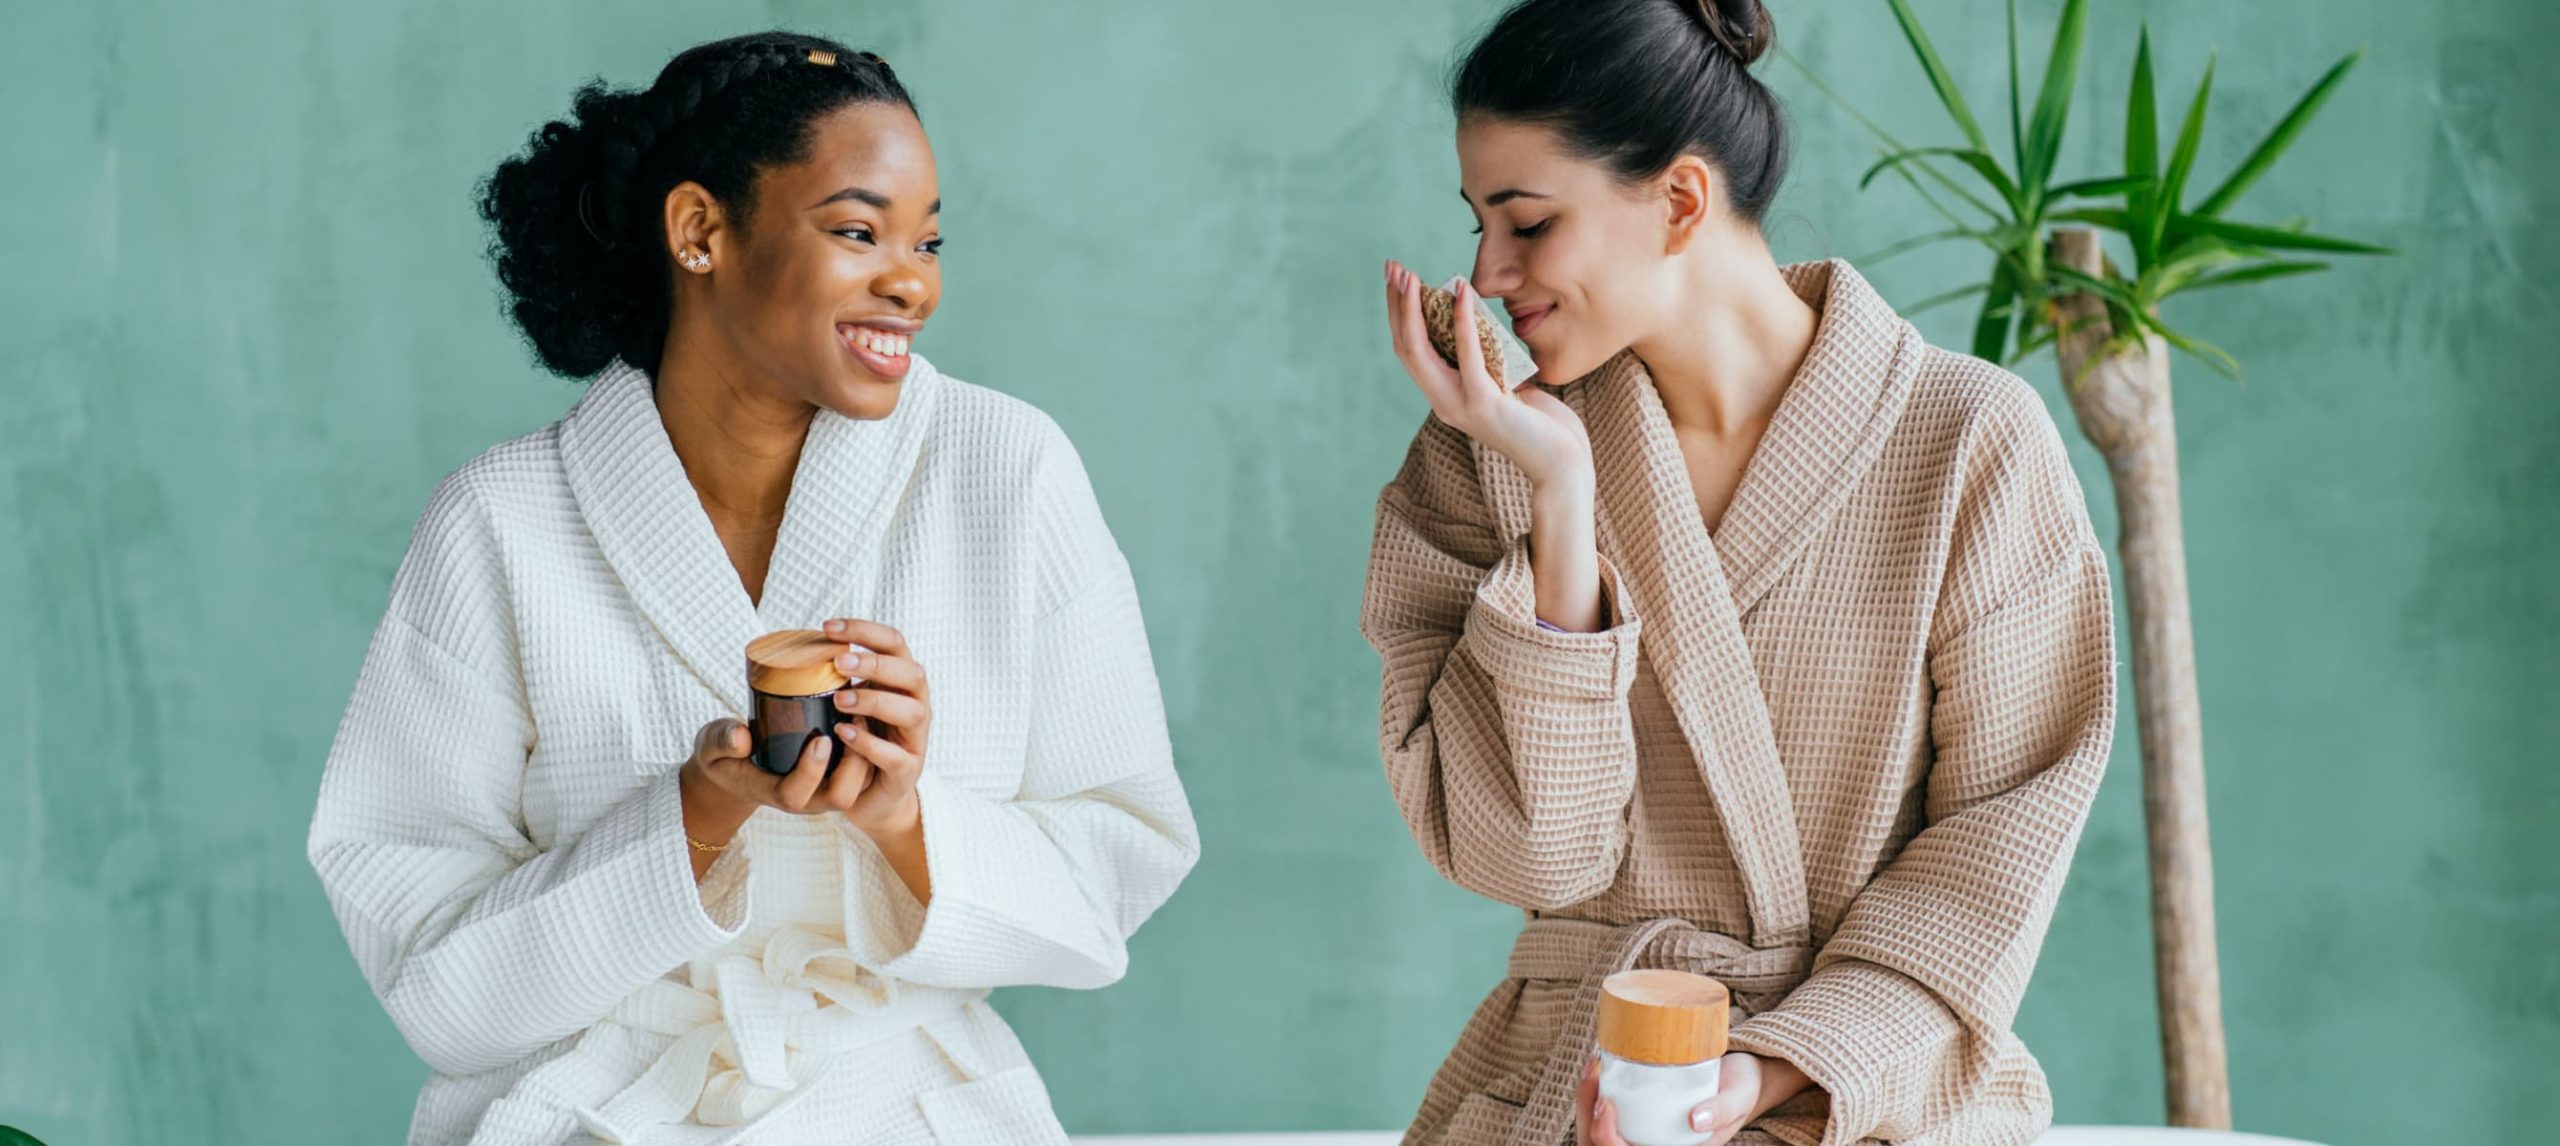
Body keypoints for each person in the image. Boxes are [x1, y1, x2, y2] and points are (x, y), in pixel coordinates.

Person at [308, 32, 1198, 1145]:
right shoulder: (502, 521)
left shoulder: (1003, 471)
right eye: (857, 230)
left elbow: (1118, 860)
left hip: (899, 1105)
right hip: (600, 1109)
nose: (911, 279)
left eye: (927, 240)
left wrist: (905, 820)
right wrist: (689, 821)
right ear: (700, 231)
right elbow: (427, 962)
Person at [1361, 1, 2117, 1143]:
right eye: (1475, 225)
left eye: (1527, 224)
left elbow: (2000, 839)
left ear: (1677, 200)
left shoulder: (1968, 443)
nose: (1488, 273)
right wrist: (1563, 505)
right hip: (1588, 1090)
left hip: (1864, 1097)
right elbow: (1531, 854)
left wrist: (1765, 1072)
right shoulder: (1487, 457)